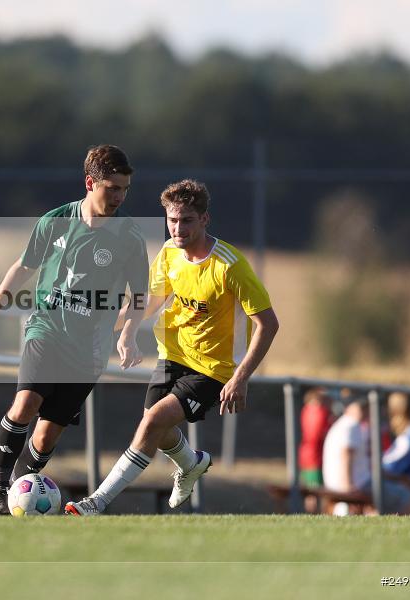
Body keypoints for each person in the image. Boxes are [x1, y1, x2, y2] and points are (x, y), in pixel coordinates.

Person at [0, 145, 149, 515]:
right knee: (26, 403)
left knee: (45, 437)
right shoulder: (54, 221)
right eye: (112, 188)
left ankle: (19, 494)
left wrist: (128, 333)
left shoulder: (130, 237)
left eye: (124, 189)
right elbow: (23, 268)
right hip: (46, 329)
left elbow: (140, 295)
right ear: (90, 183)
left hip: (89, 349)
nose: (119, 197)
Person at [66, 179, 279, 516]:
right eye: (172, 220)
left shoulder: (229, 266)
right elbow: (150, 301)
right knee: (157, 427)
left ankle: (96, 502)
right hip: (172, 355)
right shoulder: (169, 253)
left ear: (204, 219)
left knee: (152, 422)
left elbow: (269, 324)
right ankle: (191, 463)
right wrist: (116, 330)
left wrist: (240, 378)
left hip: (213, 369)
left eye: (187, 220)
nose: (178, 229)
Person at [322, 399, 410, 515]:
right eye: (363, 408)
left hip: (343, 482)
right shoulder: (351, 425)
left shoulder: (344, 424)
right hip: (353, 483)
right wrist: (347, 487)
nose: (366, 411)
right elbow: (346, 455)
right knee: (405, 495)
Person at [299, 387, 335, 488]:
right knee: (315, 490)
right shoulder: (320, 412)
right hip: (316, 457)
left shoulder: (306, 410)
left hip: (307, 455)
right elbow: (318, 435)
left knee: (310, 489)